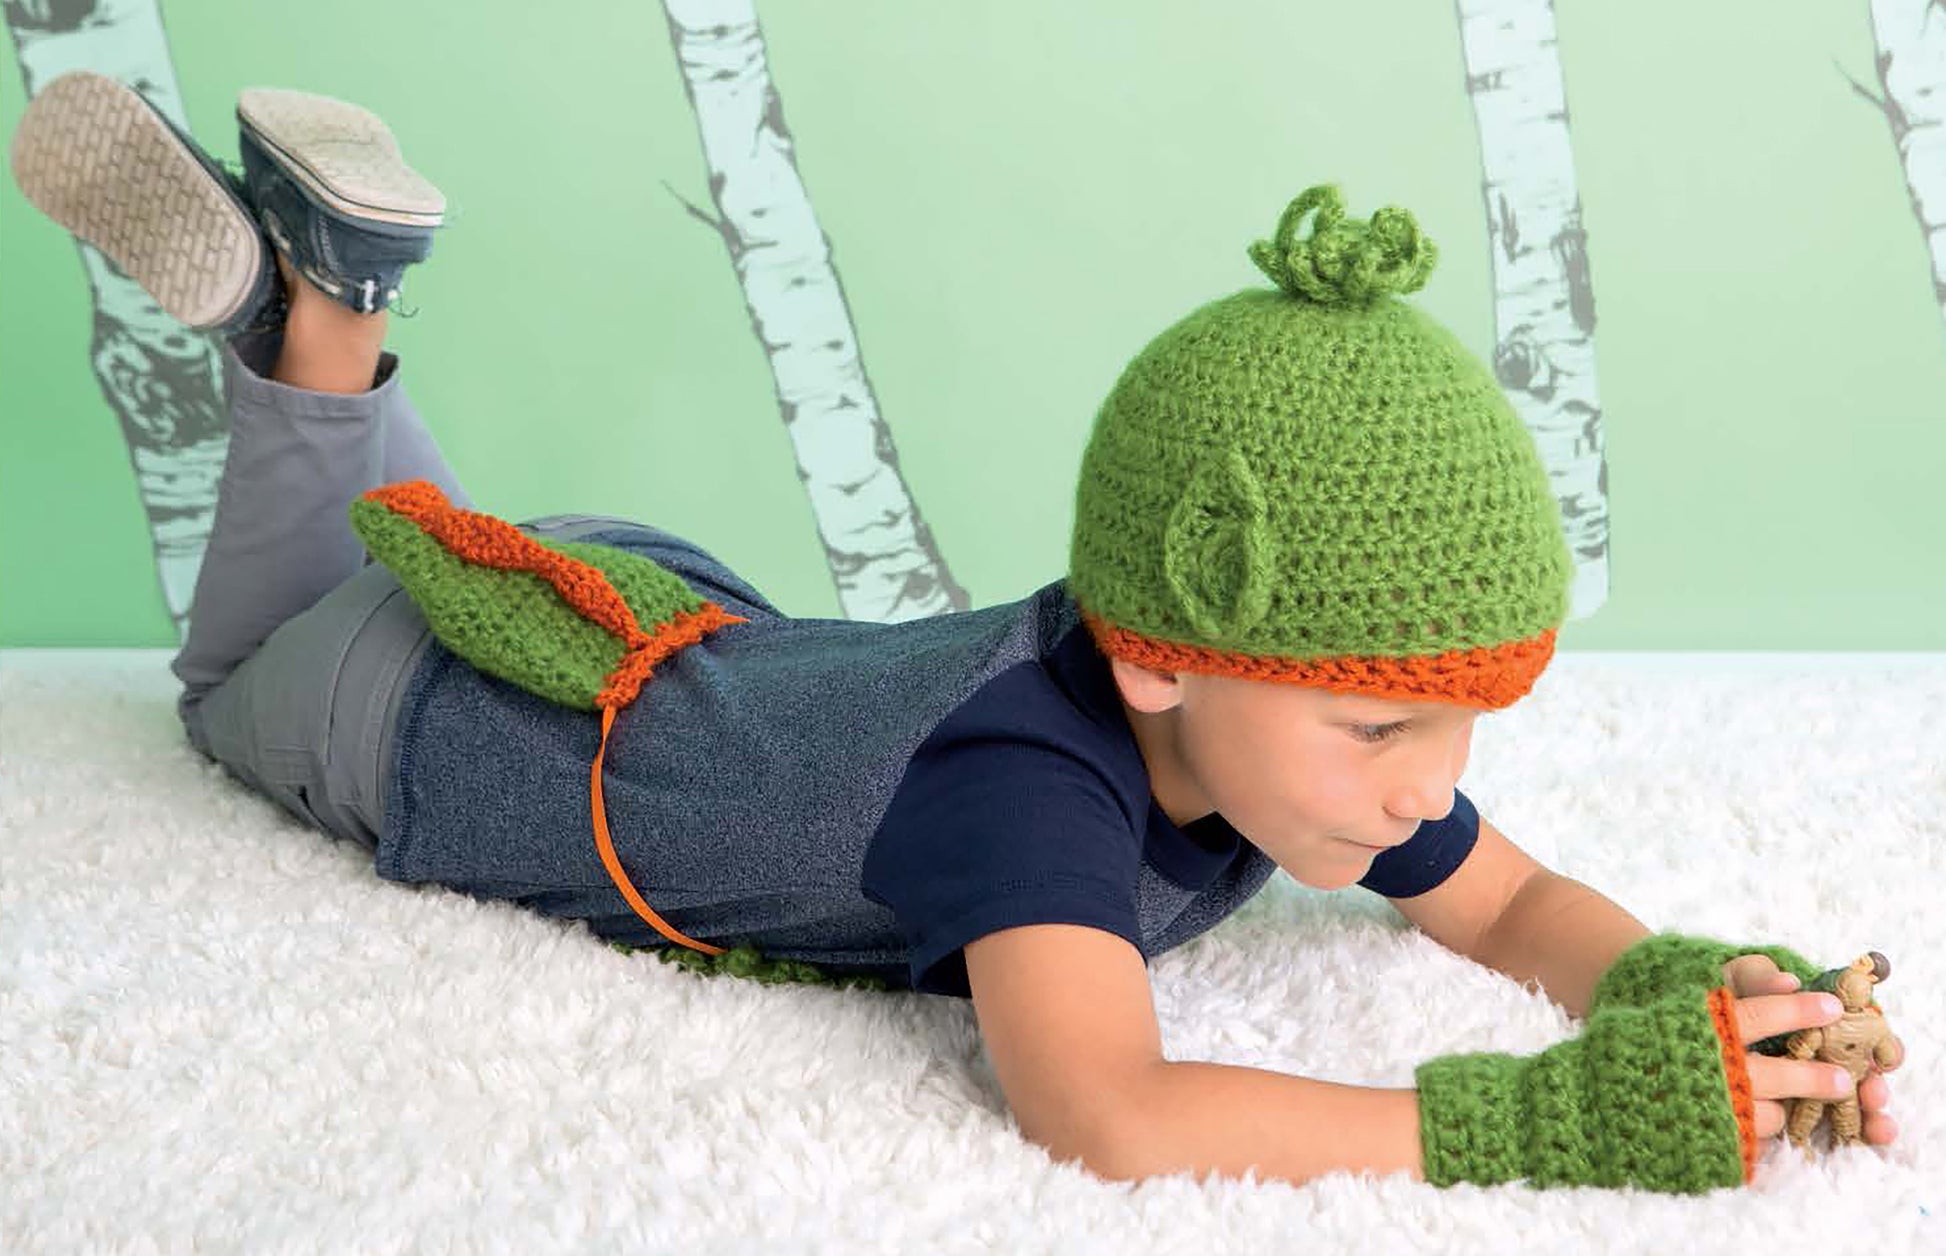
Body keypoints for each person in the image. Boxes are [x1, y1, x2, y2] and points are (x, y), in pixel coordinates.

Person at [9, 70, 1904, 1194]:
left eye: (1451, 725)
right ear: (1158, 654)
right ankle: (321, 330)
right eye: (1384, 734)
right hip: (453, 715)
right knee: (222, 691)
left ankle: (319, 317)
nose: (1427, 788)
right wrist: (1538, 1129)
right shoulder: (1024, 790)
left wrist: (1691, 991)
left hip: (652, 612)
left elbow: (1504, 905)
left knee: (392, 547)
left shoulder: (1278, 736)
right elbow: (1112, 1112)